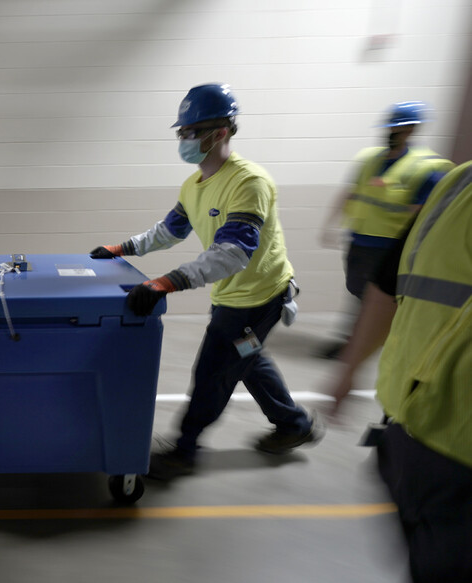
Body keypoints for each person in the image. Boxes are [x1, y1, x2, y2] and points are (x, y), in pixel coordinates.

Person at [90, 83, 322, 481]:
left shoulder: (249, 183)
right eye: (181, 132)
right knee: (246, 358)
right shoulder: (193, 185)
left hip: (258, 296)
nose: (184, 140)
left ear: (221, 132)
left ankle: (185, 449)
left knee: (214, 369)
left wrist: (167, 282)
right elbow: (170, 230)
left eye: (191, 132)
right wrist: (122, 248)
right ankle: (294, 424)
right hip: (233, 294)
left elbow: (233, 253)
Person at [329, 160, 472, 583]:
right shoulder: (457, 182)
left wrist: (349, 369)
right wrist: (348, 368)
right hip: (410, 439)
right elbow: (390, 285)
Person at [317, 102, 453, 359]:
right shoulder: (369, 159)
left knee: (378, 297)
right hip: (360, 240)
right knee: (357, 292)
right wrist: (331, 223)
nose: (391, 133)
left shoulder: (427, 167)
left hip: (391, 246)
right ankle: (358, 340)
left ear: (412, 130)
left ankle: (357, 344)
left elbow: (422, 212)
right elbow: (351, 192)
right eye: (390, 128)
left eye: (398, 128)